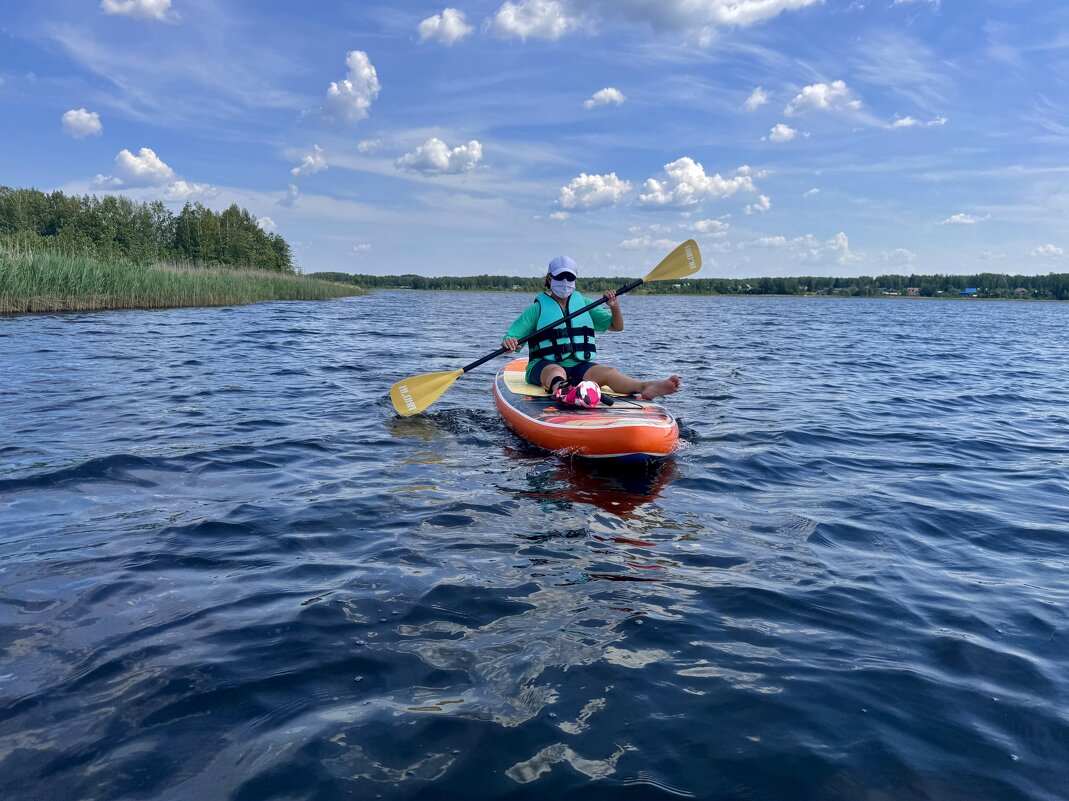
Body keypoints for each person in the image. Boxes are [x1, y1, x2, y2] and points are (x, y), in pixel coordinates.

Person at [502, 255, 680, 405]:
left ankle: (645, 386)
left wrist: (614, 306)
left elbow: (616, 326)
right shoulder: (537, 309)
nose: (565, 282)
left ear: (575, 281)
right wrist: (509, 342)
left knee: (609, 372)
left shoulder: (585, 305)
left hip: (578, 366)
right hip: (543, 367)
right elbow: (513, 338)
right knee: (556, 371)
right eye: (560, 277)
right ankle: (565, 392)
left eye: (569, 278)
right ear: (550, 279)